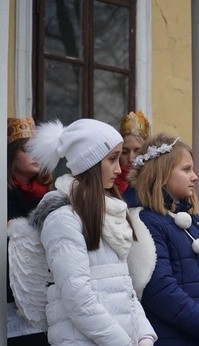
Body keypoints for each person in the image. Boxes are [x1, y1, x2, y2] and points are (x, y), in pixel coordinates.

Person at [22, 118, 157, 345]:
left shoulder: (109, 214)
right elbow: (78, 301)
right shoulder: (63, 219)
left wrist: (144, 336)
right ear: (90, 163)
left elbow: (125, 289)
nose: (119, 168)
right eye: (112, 159)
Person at [127, 133, 199, 345]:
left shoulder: (196, 223)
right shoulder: (144, 221)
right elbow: (160, 291)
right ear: (161, 175)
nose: (195, 176)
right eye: (186, 169)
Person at [6, 116, 51, 345]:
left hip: (44, 291)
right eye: (27, 150)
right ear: (12, 155)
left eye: (37, 149)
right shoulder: (5, 195)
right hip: (11, 293)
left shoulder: (47, 195)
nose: (35, 155)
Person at [115, 110, 150, 195]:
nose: (131, 159)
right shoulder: (108, 184)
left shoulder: (154, 182)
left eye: (137, 151)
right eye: (125, 152)